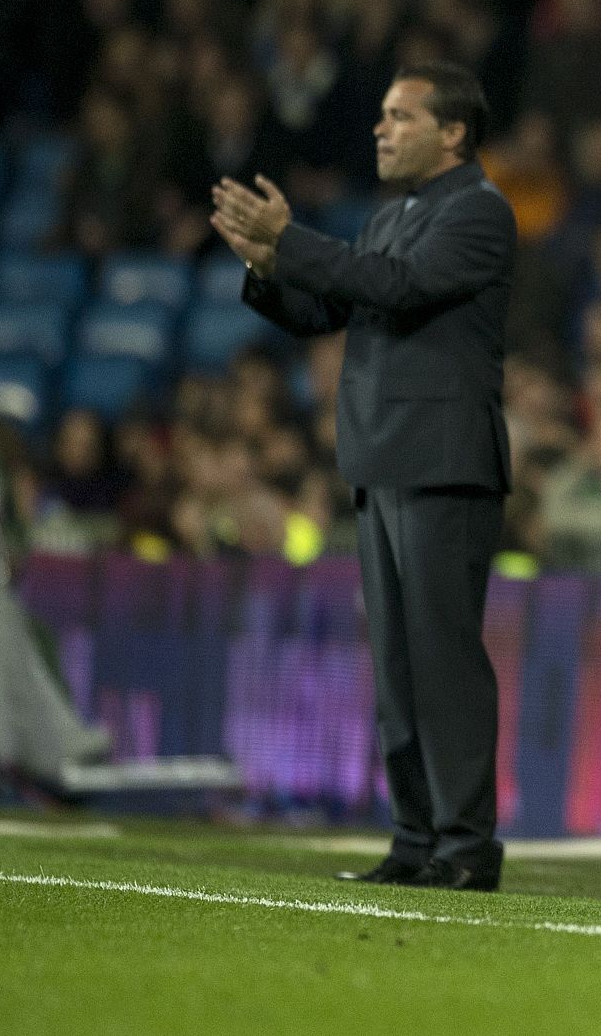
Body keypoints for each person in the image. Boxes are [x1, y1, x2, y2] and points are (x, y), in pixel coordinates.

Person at [211, 62, 517, 892]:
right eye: (379, 114)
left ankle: (465, 844)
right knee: (398, 665)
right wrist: (267, 268)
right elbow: (327, 309)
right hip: (381, 460)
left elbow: (397, 286)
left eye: (398, 116)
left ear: (452, 132)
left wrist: (295, 242)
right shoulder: (392, 217)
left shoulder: (481, 213)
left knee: (443, 660)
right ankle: (415, 837)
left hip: (445, 464)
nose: (379, 129)